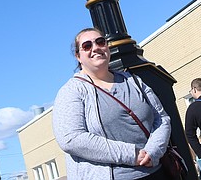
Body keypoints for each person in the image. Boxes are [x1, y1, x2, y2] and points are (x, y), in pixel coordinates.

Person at [53, 27, 172, 180]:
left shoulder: (133, 81)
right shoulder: (71, 91)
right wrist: (131, 154)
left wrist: (153, 151)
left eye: (100, 42)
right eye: (87, 46)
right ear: (78, 56)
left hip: (156, 172)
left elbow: (161, 118)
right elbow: (70, 139)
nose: (96, 48)